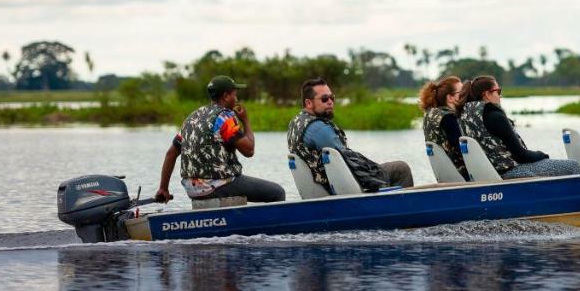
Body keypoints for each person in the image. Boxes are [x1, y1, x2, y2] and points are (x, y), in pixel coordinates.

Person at [154, 75, 286, 204]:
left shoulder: (193, 117)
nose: (236, 98)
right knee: (277, 193)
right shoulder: (224, 118)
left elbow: (171, 154)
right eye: (235, 94)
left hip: (193, 190)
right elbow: (249, 150)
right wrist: (245, 121)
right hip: (217, 186)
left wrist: (163, 188)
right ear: (226, 96)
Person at [287, 77, 415, 194]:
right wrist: (374, 169)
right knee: (401, 168)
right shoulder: (318, 128)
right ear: (309, 103)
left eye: (332, 98)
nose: (330, 102)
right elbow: (347, 160)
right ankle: (403, 212)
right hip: (339, 186)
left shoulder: (296, 122)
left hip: (325, 184)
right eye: (324, 99)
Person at [458, 75, 580, 179]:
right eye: (498, 91)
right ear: (487, 94)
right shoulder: (494, 116)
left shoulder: (466, 115)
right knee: (572, 166)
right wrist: (542, 155)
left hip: (491, 172)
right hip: (510, 171)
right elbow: (521, 155)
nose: (500, 96)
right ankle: (579, 205)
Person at [420, 75, 468, 179]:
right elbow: (464, 150)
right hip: (462, 174)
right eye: (462, 93)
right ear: (450, 97)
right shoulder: (448, 118)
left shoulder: (430, 113)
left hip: (445, 174)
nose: (465, 95)